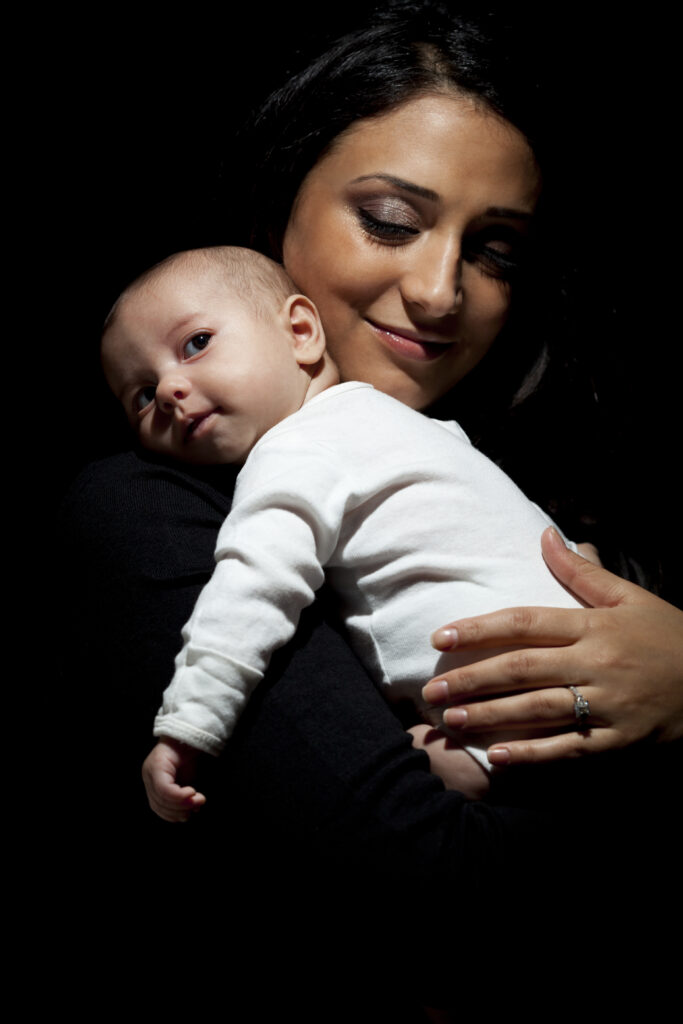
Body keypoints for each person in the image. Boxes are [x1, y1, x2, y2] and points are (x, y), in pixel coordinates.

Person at [59, 1, 682, 932]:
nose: (439, 292)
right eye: (390, 221)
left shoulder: (509, 484)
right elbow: (448, 890)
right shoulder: (156, 504)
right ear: (281, 204)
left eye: (493, 249)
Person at [101, 244, 590, 820]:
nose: (166, 390)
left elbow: (251, 592)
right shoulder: (400, 424)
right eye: (140, 395)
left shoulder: (295, 452)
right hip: (587, 675)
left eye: (196, 343)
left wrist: (188, 727)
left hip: (512, 709)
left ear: (302, 331)